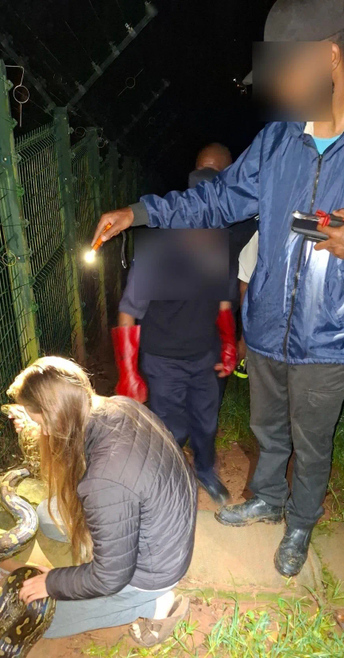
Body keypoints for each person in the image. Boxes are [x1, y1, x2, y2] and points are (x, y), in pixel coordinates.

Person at [91, 0, 344, 578]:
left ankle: (302, 522)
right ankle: (267, 495)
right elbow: (218, 196)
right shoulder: (281, 137)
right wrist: (139, 212)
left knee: (312, 438)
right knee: (267, 426)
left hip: (332, 325)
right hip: (266, 318)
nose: (279, 91)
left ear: (328, 55)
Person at [8, 356, 195, 646]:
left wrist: (53, 582)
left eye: (41, 422)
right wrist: (35, 422)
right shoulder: (117, 405)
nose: (42, 432)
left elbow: (109, 577)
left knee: (37, 618)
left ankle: (155, 604)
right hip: (164, 524)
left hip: (154, 569)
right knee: (47, 514)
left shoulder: (104, 481)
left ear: (58, 415)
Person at [112, 143, 239, 505]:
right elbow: (128, 309)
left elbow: (225, 301)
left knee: (205, 422)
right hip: (163, 357)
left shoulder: (220, 245)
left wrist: (229, 343)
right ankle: (164, 486)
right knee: (169, 426)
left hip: (204, 355)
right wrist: (128, 371)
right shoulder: (161, 249)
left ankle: (204, 471)